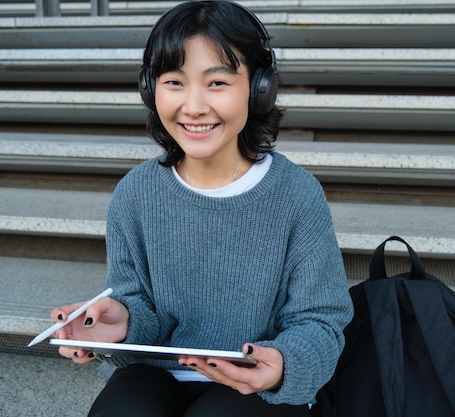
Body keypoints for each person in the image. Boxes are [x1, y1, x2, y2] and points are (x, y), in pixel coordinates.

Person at [51, 1, 353, 416]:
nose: (193, 106)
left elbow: (319, 321)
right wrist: (120, 322)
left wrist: (282, 366)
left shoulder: (297, 195)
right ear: (149, 88)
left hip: (252, 386)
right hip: (156, 373)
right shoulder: (135, 194)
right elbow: (139, 305)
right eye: (174, 82)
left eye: (217, 83)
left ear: (259, 88)